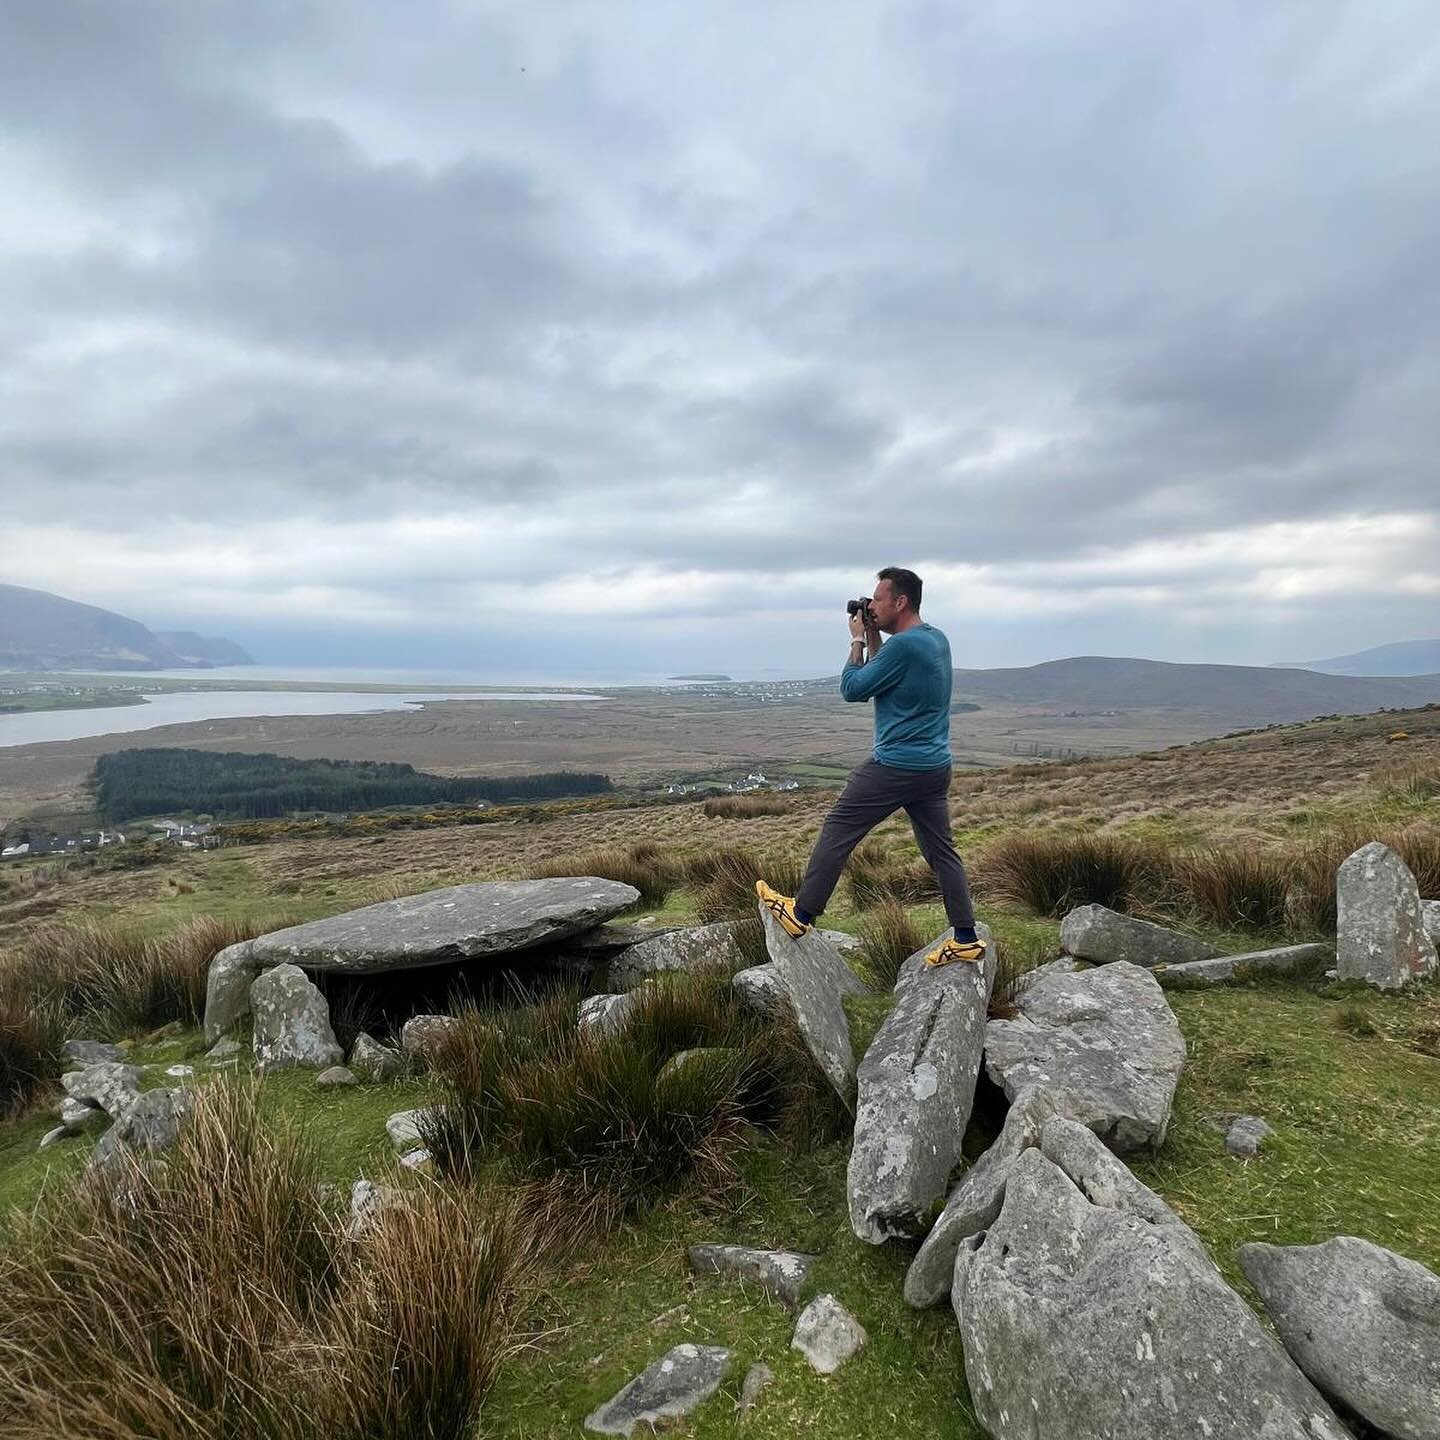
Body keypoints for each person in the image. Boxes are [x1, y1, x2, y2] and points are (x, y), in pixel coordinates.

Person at [756, 567, 985, 967]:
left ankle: (801, 913)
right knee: (941, 851)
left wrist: (858, 641)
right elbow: (890, 674)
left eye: (877, 599)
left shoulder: (904, 647)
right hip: (934, 767)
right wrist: (877, 638)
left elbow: (854, 689)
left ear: (900, 602)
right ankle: (965, 936)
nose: (871, 605)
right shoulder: (934, 639)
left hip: (896, 765)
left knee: (839, 828)